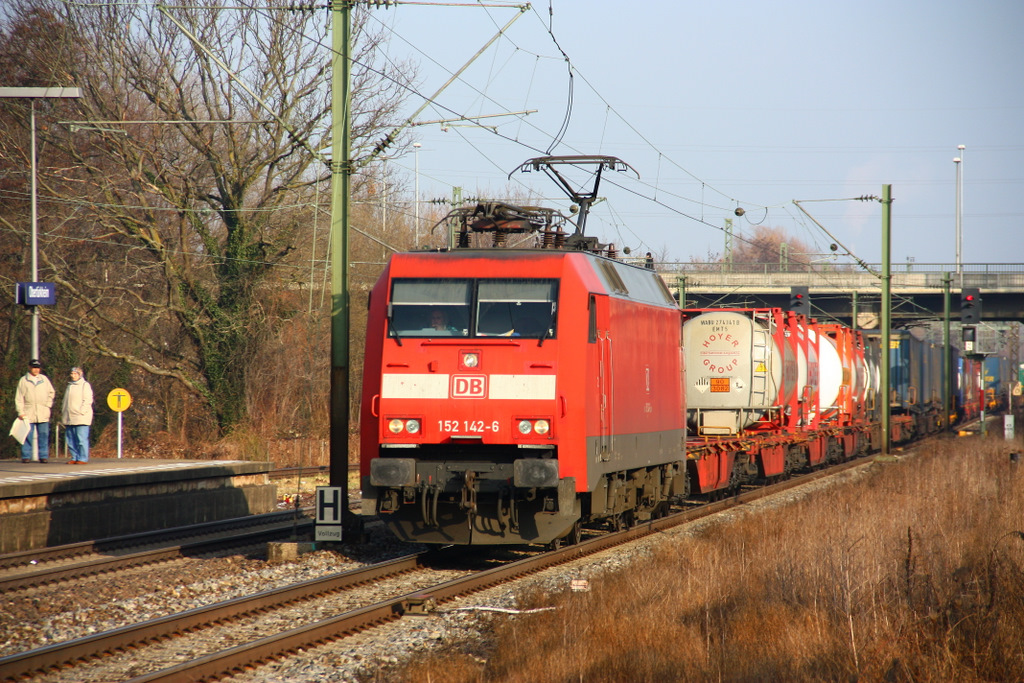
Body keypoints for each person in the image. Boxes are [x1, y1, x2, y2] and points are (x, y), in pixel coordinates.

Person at [14, 359, 55, 463]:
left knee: (44, 435)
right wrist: (20, 412)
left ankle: (43, 455)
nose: (36, 370)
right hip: (28, 411)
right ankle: (26, 455)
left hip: (43, 411)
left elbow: (51, 392)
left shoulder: (44, 379)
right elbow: (19, 398)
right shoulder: (23, 380)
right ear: (29, 367)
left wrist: (48, 405)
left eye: (37, 367)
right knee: (27, 435)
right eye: (34, 367)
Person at [60, 366, 94, 464]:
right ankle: (74, 457)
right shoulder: (69, 386)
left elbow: (88, 400)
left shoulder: (85, 385)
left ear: (80, 375)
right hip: (69, 417)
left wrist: (82, 411)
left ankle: (83, 458)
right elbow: (65, 401)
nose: (73, 376)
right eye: (72, 374)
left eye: (75, 374)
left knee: (81, 439)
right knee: (70, 439)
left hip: (81, 417)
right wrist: (64, 412)